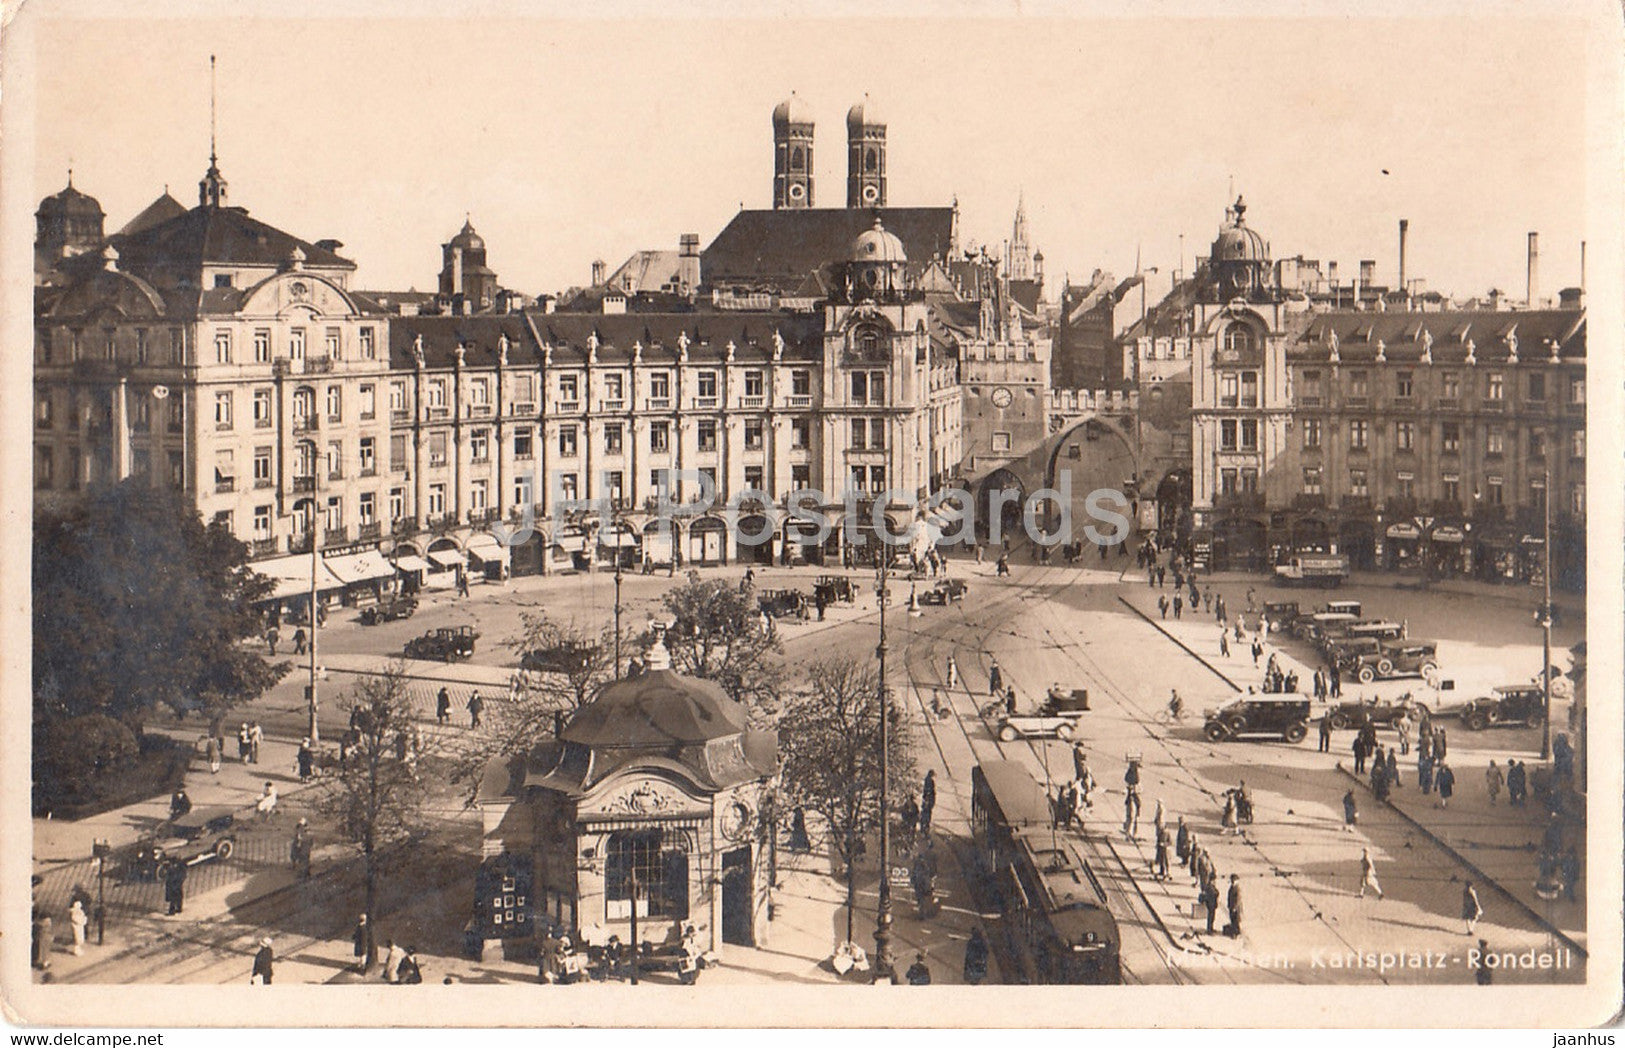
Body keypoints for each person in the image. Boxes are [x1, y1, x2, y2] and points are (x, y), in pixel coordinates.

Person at [919, 770, 936, 837]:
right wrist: (929, 800)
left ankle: (924, 829)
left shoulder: (927, 779)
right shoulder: (930, 781)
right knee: (926, 817)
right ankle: (925, 830)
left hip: (927, 801)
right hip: (928, 800)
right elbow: (929, 790)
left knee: (925, 816)